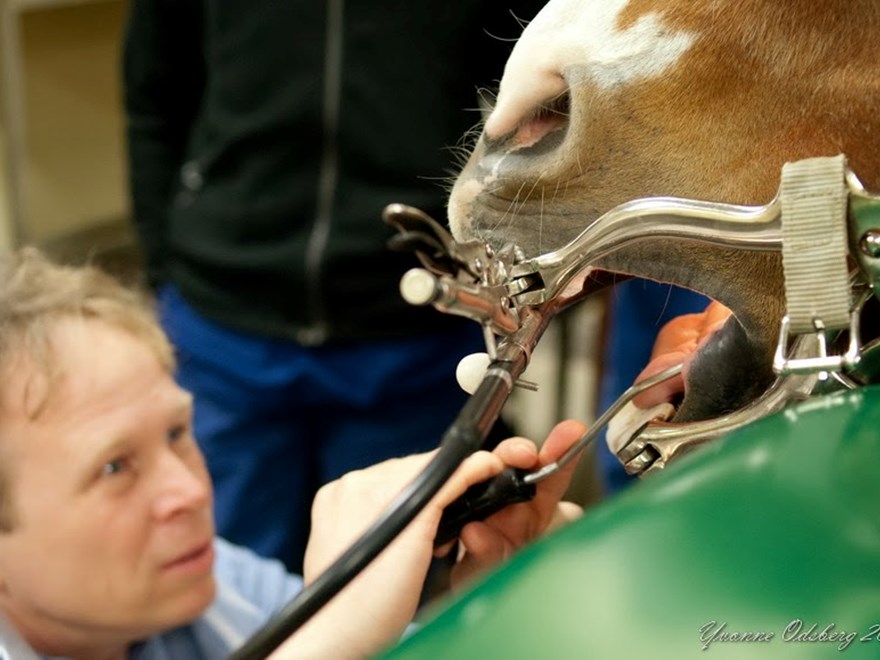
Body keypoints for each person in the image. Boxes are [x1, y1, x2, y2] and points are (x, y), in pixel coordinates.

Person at [121, 0, 548, 572]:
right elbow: (154, 97)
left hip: (408, 332)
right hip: (226, 327)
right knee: (225, 580)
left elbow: (540, 99)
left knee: (388, 578)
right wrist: (164, 266)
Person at [0, 248, 586, 659]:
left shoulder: (216, 582)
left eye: (177, 434)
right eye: (114, 468)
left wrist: (489, 611)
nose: (189, 492)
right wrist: (329, 640)